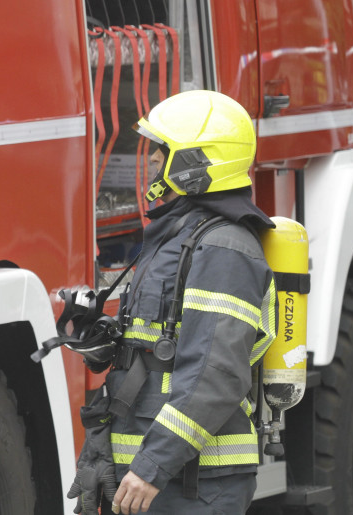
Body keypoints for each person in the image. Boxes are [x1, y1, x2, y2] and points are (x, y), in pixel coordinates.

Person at [71, 90, 277, 515]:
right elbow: (147, 362)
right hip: (157, 480)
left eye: (164, 151)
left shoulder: (224, 248)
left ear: (196, 163)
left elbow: (214, 376)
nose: (152, 160)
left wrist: (151, 466)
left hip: (197, 486)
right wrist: (103, 447)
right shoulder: (178, 236)